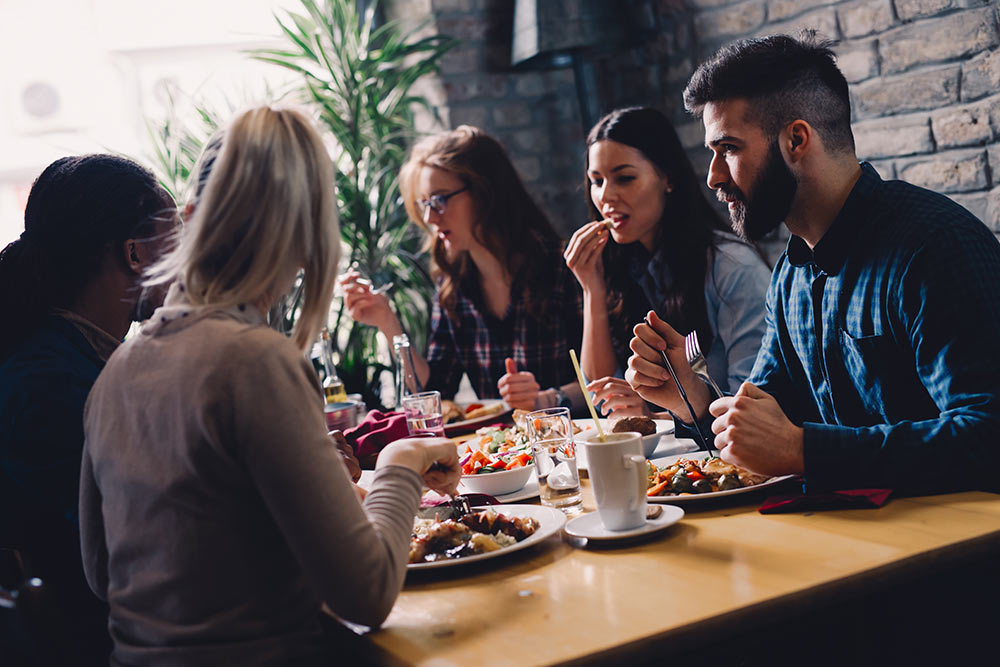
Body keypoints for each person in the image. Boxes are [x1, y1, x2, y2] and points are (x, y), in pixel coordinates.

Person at [79, 106, 460, 665]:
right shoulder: (256, 360)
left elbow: (99, 571)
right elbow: (368, 594)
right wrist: (404, 459)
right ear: (307, 238)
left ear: (190, 220)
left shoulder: (116, 370)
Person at [626, 33, 1000, 494]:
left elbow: (988, 435)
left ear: (796, 140)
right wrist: (694, 398)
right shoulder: (791, 274)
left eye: (730, 149)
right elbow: (763, 423)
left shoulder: (934, 248)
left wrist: (806, 451)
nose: (713, 177)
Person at [0, 154, 177, 664]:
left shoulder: (70, 360)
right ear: (136, 253)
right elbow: (139, 543)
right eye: (178, 240)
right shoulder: (48, 385)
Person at [339, 126, 584, 411]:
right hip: (500, 449)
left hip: (572, 439)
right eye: (425, 204)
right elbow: (435, 393)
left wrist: (547, 398)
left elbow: (603, 379)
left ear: (485, 192)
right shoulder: (453, 285)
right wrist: (387, 323)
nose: (430, 217)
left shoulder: (563, 266)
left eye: (440, 200)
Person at [564, 106, 770, 418]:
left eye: (624, 178)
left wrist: (651, 413)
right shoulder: (622, 264)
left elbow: (754, 401)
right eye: (596, 181)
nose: (606, 196)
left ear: (667, 178)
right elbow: (599, 396)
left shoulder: (731, 267)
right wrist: (591, 289)